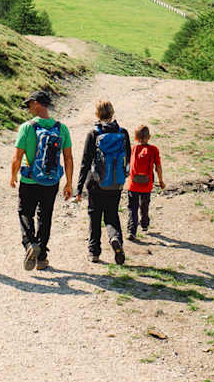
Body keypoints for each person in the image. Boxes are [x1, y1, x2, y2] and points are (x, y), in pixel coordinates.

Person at [10, 90, 74, 270]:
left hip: (30, 180)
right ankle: (42, 258)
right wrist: (68, 182)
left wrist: (13, 175)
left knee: (25, 212)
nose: (29, 109)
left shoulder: (26, 127)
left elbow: (17, 156)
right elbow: (68, 158)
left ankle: (30, 244)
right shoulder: (62, 128)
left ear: (37, 104)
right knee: (45, 216)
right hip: (51, 181)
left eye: (30, 105)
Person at [75, 99, 130, 264]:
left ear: (97, 114)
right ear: (112, 112)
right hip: (116, 182)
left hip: (96, 183)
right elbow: (128, 157)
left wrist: (79, 189)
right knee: (112, 214)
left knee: (94, 215)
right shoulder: (123, 133)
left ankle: (94, 252)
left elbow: (85, 162)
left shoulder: (94, 134)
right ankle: (115, 239)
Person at [124, 124, 164, 240]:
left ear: (135, 138)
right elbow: (158, 167)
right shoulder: (153, 150)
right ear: (149, 137)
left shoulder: (133, 149)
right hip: (147, 185)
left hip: (133, 185)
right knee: (145, 205)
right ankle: (145, 224)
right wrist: (161, 181)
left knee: (132, 208)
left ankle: (131, 231)